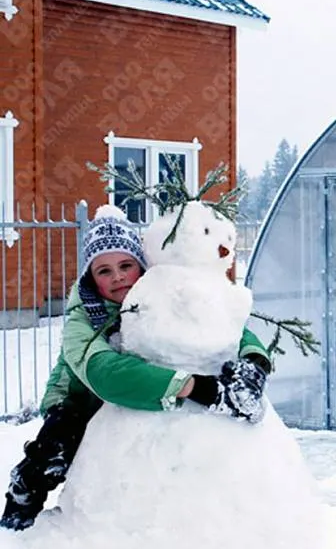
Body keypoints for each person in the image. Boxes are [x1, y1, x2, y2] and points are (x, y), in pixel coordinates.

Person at [0, 206, 271, 531]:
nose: (117, 277)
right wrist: (200, 388)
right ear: (91, 277)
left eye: (126, 265)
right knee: (54, 452)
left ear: (141, 267)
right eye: (104, 270)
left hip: (148, 390)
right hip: (78, 399)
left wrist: (254, 362)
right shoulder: (82, 321)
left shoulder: (160, 298)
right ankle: (19, 513)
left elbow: (229, 327)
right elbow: (107, 374)